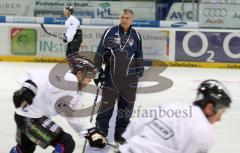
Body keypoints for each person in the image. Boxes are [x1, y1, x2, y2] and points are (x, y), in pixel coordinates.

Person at [10, 56, 107, 153]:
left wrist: (91, 132)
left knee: (25, 149)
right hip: (30, 118)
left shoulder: (77, 92)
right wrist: (29, 87)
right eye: (89, 76)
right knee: (66, 143)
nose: (90, 80)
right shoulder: (68, 79)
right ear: (80, 73)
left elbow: (73, 115)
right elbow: (39, 75)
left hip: (25, 116)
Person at [117, 79, 232, 153]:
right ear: (209, 108)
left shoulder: (172, 108)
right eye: (220, 112)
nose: (219, 119)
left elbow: (134, 129)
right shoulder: (203, 131)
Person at [94, 8, 144, 144]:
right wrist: (98, 72)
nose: (124, 20)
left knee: (126, 108)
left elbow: (139, 54)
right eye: (122, 17)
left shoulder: (136, 35)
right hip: (112, 75)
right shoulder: (110, 32)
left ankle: (121, 135)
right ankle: (100, 132)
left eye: (127, 18)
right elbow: (99, 53)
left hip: (130, 78)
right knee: (106, 106)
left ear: (131, 20)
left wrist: (140, 71)